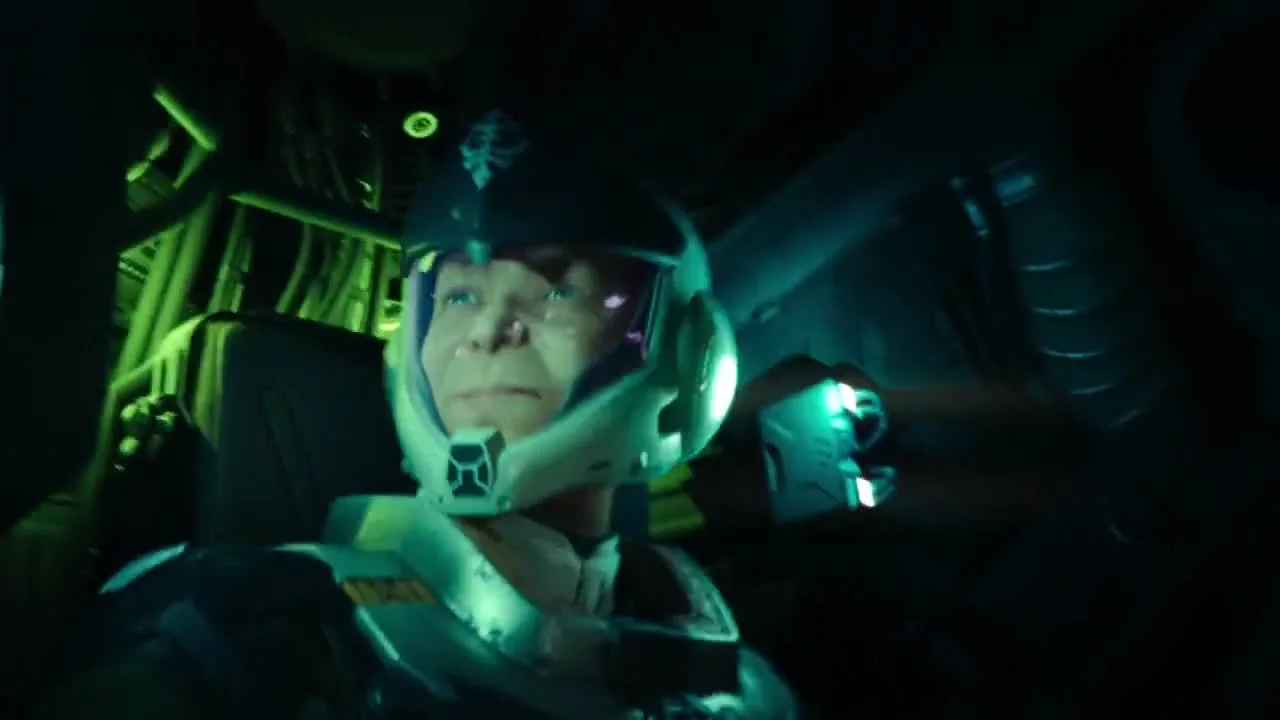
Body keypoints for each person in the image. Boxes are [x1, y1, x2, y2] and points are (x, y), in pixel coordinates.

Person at [31, 110, 797, 719]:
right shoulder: (248, 620)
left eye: (557, 291)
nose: (485, 332)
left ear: (691, 356)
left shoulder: (741, 684)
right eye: (458, 295)